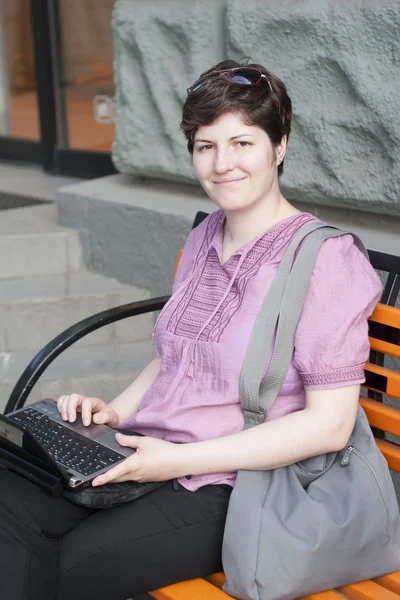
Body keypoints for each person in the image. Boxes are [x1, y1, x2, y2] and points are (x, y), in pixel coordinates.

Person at [0, 60, 383, 600]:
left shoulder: (325, 260)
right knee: (10, 501)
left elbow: (328, 426)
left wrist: (174, 460)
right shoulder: (207, 237)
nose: (222, 164)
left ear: (279, 146)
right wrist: (115, 413)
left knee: (64, 568)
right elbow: (175, 357)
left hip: (235, 482)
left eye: (241, 143)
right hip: (146, 452)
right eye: (206, 146)